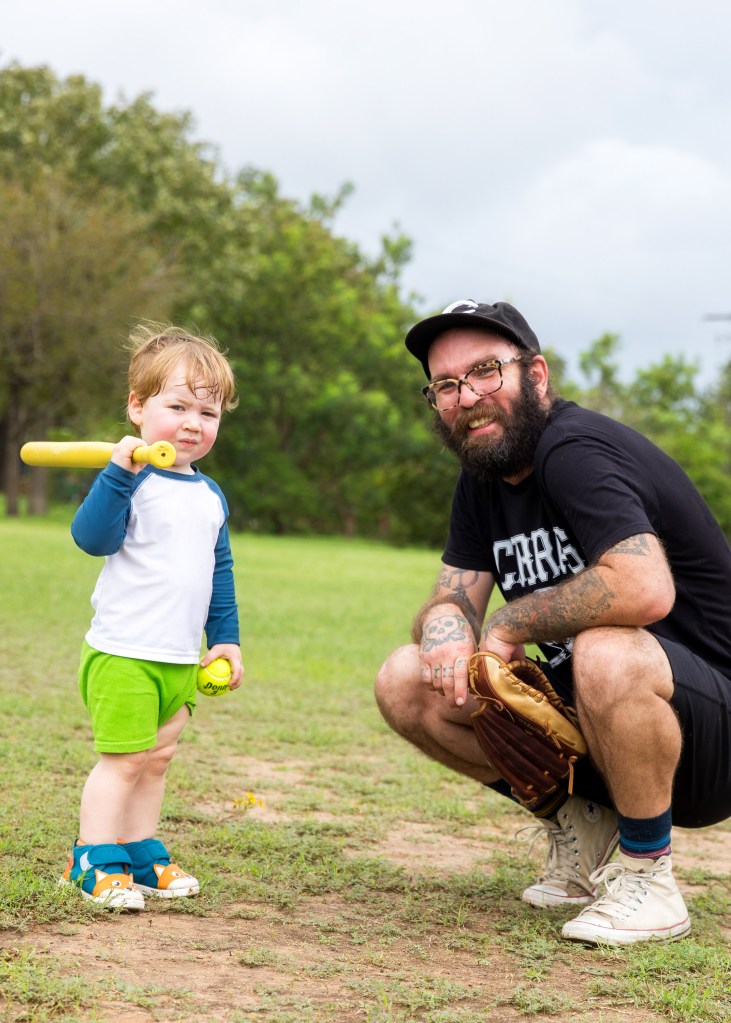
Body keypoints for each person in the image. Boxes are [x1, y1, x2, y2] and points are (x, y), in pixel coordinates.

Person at [375, 299, 731, 946]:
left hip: (709, 727)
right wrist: (446, 624)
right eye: (446, 385)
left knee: (605, 649)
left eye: (486, 371)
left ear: (535, 374)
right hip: (600, 720)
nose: (467, 397)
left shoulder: (573, 449)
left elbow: (643, 586)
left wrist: (507, 624)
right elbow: (451, 594)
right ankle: (585, 825)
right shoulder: (482, 477)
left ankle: (648, 877)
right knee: (405, 679)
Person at [62, 324, 243, 910]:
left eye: (208, 412)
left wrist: (226, 641)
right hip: (123, 653)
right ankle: (91, 857)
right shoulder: (130, 481)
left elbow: (219, 577)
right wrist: (117, 473)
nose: (193, 423)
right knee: (123, 761)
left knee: (157, 760)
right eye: (178, 406)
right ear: (138, 408)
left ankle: (138, 850)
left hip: (177, 659)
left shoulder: (209, 495)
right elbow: (91, 539)